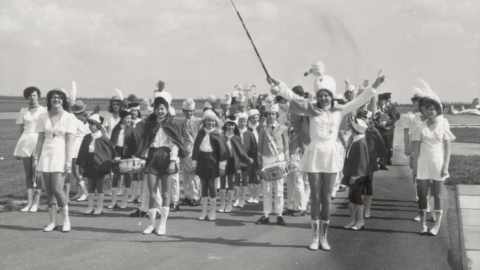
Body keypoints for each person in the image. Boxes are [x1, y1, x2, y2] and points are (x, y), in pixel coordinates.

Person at [271, 62, 385, 250]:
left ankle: (324, 237)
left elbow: (360, 100)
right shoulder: (310, 108)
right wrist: (279, 85)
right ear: (318, 96)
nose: (324, 97)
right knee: (315, 196)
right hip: (315, 152)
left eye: (327, 95)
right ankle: (315, 237)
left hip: (331, 153)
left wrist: (375, 85)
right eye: (321, 94)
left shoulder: (340, 110)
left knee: (326, 197)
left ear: (331, 96)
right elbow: (292, 96)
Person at [136, 88, 188, 235]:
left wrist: (173, 161)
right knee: (152, 193)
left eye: (162, 109)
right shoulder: (149, 124)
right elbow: (145, 143)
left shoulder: (172, 124)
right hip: (152, 158)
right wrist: (142, 159)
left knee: (166, 194)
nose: (160, 111)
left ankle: (162, 224)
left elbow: (175, 144)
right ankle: (152, 224)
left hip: (166, 158)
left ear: (167, 109)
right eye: (157, 109)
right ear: (154, 110)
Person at [412, 82, 455, 236]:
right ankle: (423, 224)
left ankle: (436, 225)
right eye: (425, 109)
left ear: (437, 110)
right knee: (422, 194)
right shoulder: (420, 126)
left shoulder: (443, 124)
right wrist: (415, 166)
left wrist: (446, 166)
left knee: (437, 195)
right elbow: (416, 148)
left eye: (431, 109)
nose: (429, 111)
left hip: (438, 162)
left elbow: (448, 148)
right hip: (423, 162)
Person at [34, 88, 77, 232]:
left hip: (61, 154)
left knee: (58, 189)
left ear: (63, 100)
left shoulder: (69, 117)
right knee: (50, 190)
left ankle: (66, 220)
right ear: (49, 100)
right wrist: (36, 157)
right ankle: (53, 222)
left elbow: (70, 142)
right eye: (53, 97)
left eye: (59, 97)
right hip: (46, 154)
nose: (56, 100)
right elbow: (40, 140)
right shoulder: (43, 116)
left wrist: (69, 160)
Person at [255, 100, 289, 227]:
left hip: (279, 159)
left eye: (273, 114)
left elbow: (286, 147)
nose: (271, 116)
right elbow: (259, 147)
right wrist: (259, 163)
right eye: (269, 114)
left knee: (279, 189)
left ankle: (279, 215)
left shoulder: (283, 128)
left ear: (277, 115)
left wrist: (287, 162)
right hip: (266, 160)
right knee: (266, 189)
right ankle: (266, 214)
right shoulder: (262, 129)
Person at [76, 114, 117, 215]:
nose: (90, 126)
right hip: (89, 162)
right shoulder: (87, 137)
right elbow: (82, 151)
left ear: (98, 125)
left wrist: (108, 165)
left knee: (99, 184)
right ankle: (90, 206)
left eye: (93, 124)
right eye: (89, 124)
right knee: (90, 184)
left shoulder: (103, 138)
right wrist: (81, 164)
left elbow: (109, 152)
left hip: (99, 164)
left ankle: (100, 207)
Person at [15, 86, 47, 212]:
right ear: (27, 97)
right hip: (25, 141)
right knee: (28, 173)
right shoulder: (23, 110)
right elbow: (21, 130)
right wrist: (19, 147)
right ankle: (29, 202)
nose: (32, 97)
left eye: (34, 95)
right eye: (30, 95)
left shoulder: (44, 110)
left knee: (37, 172)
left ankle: (36, 202)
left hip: (38, 141)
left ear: (38, 96)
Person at [191, 110, 227, 221]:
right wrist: (194, 163)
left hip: (213, 162)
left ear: (215, 122)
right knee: (203, 185)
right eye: (208, 121)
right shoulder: (201, 133)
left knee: (212, 185)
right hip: (202, 160)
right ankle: (204, 211)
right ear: (205, 121)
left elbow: (222, 151)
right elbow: (196, 149)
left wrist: (222, 167)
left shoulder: (218, 133)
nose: (210, 123)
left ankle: (212, 211)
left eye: (212, 121)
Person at [355, 110, 387, 219]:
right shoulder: (356, 130)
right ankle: (360, 208)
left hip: (370, 159)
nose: (364, 120)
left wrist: (377, 157)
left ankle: (367, 208)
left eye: (365, 118)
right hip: (358, 159)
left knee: (368, 182)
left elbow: (381, 145)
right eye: (361, 118)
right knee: (359, 183)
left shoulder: (373, 131)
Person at [218, 115, 252, 213]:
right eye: (229, 125)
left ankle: (229, 204)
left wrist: (246, 160)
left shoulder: (236, 137)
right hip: (222, 161)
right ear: (225, 125)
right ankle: (222, 204)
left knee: (230, 182)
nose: (231, 127)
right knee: (222, 181)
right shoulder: (221, 135)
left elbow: (240, 151)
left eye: (233, 125)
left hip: (232, 161)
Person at [341, 118, 370, 231]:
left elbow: (362, 162)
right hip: (351, 172)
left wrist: (355, 176)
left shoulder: (360, 142)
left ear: (354, 130)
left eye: (351, 128)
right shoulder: (355, 139)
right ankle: (353, 220)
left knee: (357, 196)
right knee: (351, 197)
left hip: (358, 175)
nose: (349, 129)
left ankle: (360, 221)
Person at [109, 109, 139, 209]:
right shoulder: (116, 129)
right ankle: (114, 201)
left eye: (130, 118)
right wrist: (112, 155)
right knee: (115, 176)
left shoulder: (131, 129)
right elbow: (112, 142)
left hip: (127, 155)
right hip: (117, 153)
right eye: (127, 118)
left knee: (127, 177)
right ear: (122, 118)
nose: (129, 120)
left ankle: (124, 202)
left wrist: (135, 154)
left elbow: (136, 142)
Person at [178, 98, 202, 207]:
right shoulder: (182, 124)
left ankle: (195, 196)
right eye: (187, 111)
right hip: (186, 150)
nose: (189, 113)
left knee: (195, 174)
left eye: (191, 111)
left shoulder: (198, 122)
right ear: (183, 111)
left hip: (196, 150)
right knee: (186, 175)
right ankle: (187, 196)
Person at [103, 92, 126, 196]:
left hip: (122, 143)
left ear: (121, 105)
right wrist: (107, 142)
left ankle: (120, 187)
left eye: (117, 104)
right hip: (111, 144)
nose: (116, 107)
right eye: (114, 105)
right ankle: (113, 187)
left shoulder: (124, 114)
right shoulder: (108, 115)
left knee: (121, 167)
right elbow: (105, 130)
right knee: (112, 167)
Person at [68, 100, 90, 202]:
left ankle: (85, 192)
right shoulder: (87, 120)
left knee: (75, 171)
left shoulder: (74, 120)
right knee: (80, 171)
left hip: (76, 145)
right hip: (84, 145)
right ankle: (80, 192)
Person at [235, 112, 258, 208]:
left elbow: (254, 147)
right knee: (236, 179)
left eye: (244, 121)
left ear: (247, 122)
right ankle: (236, 198)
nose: (242, 123)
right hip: (236, 161)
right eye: (241, 121)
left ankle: (242, 199)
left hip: (246, 160)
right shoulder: (234, 133)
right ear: (238, 122)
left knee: (245, 179)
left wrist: (251, 158)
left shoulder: (250, 134)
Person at [128, 102, 145, 204]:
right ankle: (133, 194)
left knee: (141, 173)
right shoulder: (128, 123)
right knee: (133, 173)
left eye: (135, 111)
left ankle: (141, 195)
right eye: (131, 111)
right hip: (131, 151)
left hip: (140, 151)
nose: (133, 113)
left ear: (138, 111)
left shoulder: (142, 123)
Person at [246, 108, 262, 203]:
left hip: (259, 154)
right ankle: (251, 195)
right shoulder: (247, 129)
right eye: (253, 118)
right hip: (249, 155)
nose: (255, 120)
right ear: (249, 119)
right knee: (250, 175)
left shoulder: (262, 128)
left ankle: (256, 196)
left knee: (257, 175)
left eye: (256, 118)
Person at [168, 106, 181, 212]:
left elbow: (177, 142)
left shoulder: (175, 126)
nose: (170, 118)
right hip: (164, 155)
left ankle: (175, 202)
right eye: (169, 116)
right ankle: (167, 201)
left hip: (174, 156)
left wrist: (174, 156)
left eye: (172, 117)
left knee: (174, 180)